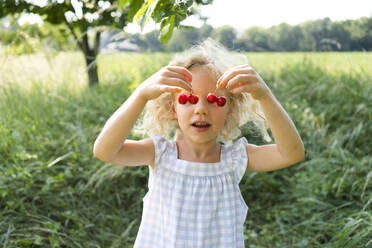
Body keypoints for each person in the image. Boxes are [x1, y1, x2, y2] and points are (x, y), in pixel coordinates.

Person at [93, 38, 305, 248]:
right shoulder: (159, 153)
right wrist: (140, 95)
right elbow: (105, 151)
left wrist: (264, 95)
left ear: (229, 109)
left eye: (216, 100)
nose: (201, 109)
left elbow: (291, 153)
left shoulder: (235, 159)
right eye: (189, 99)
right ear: (173, 107)